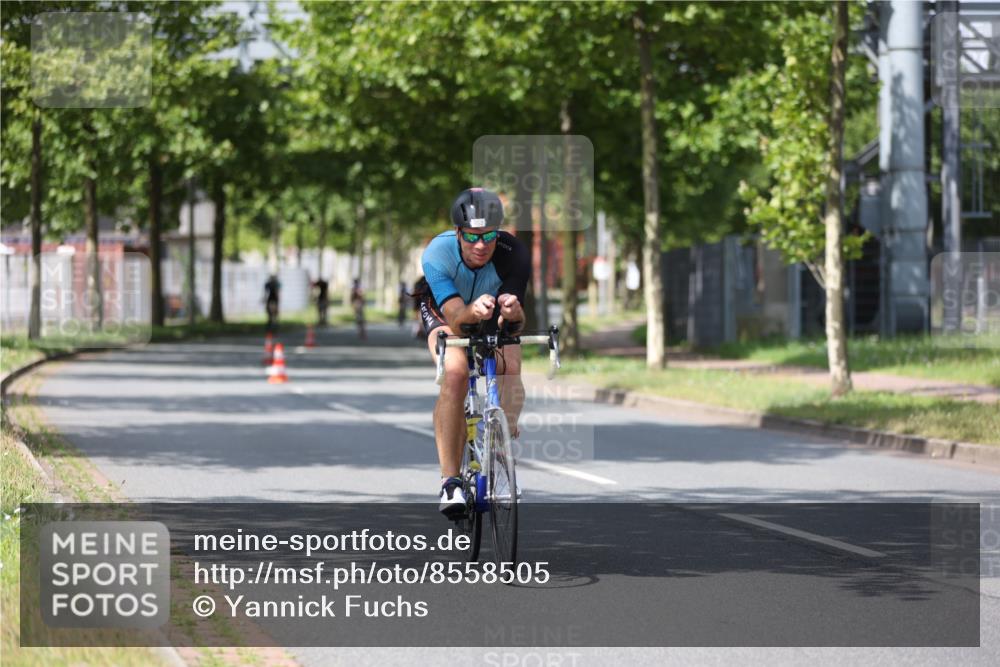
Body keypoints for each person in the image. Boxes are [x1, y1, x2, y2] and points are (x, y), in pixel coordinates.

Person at [419, 188, 529, 517]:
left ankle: (499, 455)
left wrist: (513, 313)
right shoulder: (437, 253)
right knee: (455, 373)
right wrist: (474, 311)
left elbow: (516, 325)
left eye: (489, 236)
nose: (481, 245)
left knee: (510, 364)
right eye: (471, 236)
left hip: (490, 310)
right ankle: (450, 482)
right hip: (445, 312)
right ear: (458, 233)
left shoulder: (513, 253)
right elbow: (455, 318)